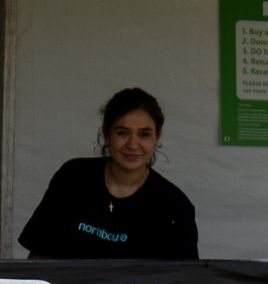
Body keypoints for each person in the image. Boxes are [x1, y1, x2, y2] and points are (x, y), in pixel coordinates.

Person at [16, 88, 201, 260]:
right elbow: (39, 261)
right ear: (106, 133)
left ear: (157, 137)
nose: (133, 144)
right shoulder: (72, 178)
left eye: (144, 134)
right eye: (122, 133)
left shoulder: (175, 206)